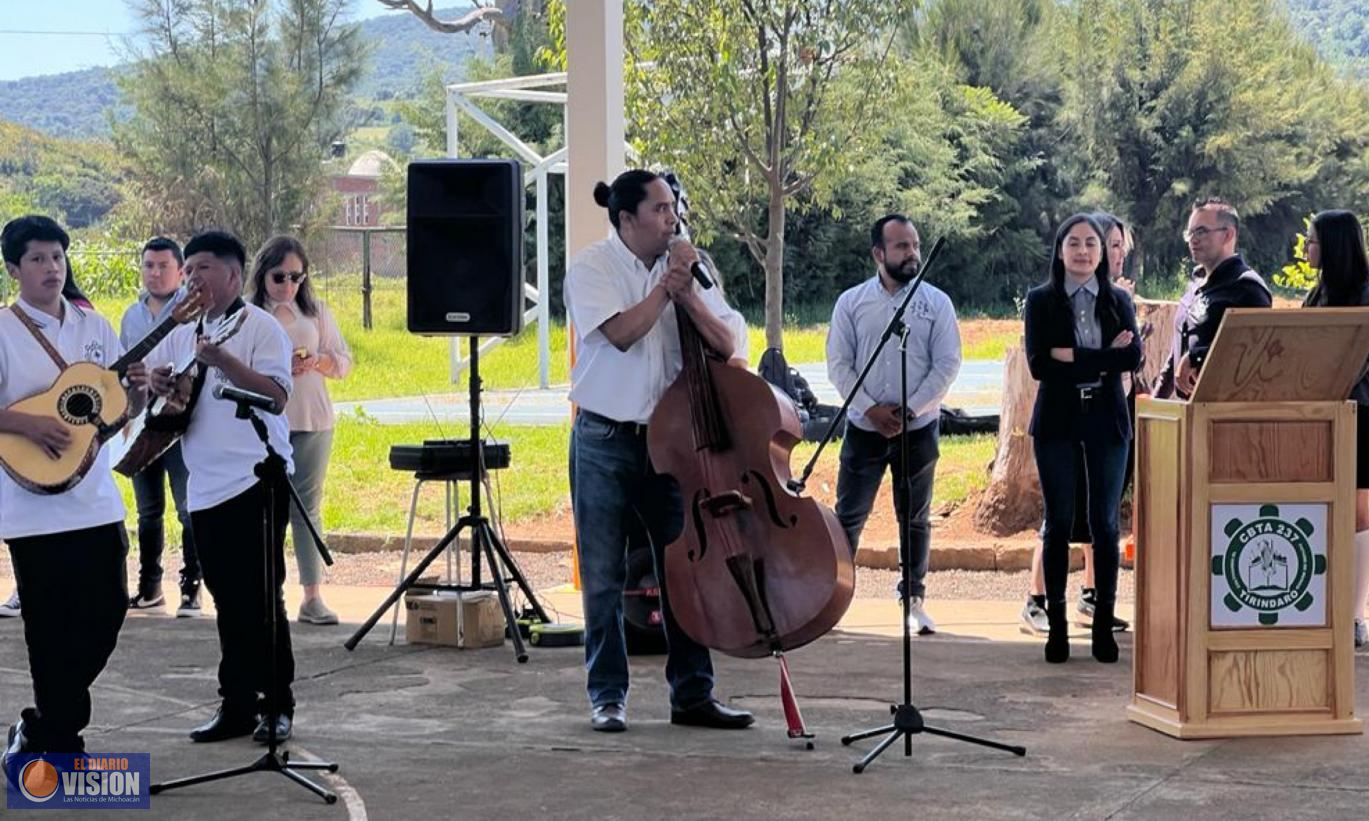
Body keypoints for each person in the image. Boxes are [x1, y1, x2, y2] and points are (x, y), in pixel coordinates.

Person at [565, 168, 754, 733]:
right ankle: (607, 696)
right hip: (604, 438)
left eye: (674, 208)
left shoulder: (688, 271)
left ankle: (693, 695)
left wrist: (688, 293)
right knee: (602, 574)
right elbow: (621, 334)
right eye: (660, 210)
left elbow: (728, 345)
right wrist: (662, 291)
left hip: (672, 445)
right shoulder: (592, 266)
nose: (672, 218)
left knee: (683, 570)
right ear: (627, 219)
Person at [129, 230, 298, 744]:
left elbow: (276, 395)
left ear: (231, 274)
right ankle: (237, 703)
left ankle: (277, 704)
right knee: (227, 599)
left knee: (263, 597)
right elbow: (176, 397)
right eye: (190, 269)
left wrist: (221, 360)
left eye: (204, 268)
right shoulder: (184, 330)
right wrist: (159, 384)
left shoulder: (261, 327)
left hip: (255, 480)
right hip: (203, 485)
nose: (193, 279)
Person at [0, 215, 134, 759]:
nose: (51, 268)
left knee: (110, 607)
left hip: (96, 499)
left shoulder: (93, 326)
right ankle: (58, 733)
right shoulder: (3, 330)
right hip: (31, 504)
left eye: (57, 257)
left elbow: (113, 410)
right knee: (49, 625)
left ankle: (46, 722)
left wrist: (146, 392)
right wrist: (27, 423)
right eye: (37, 259)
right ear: (13, 269)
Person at [826, 214, 962, 635]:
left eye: (915, 245)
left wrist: (909, 411)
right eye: (902, 247)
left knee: (915, 518)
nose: (912, 254)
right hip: (863, 430)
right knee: (849, 517)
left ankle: (914, 600)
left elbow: (947, 364)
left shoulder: (936, 303)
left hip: (916, 430)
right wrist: (870, 409)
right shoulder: (851, 303)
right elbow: (839, 365)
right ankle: (832, 601)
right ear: (878, 254)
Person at [1024, 213, 1141, 664]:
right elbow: (1041, 365)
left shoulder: (1118, 299)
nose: (1083, 251)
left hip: (1106, 422)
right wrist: (1103, 357)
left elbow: (1131, 356)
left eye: (1092, 243)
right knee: (1058, 524)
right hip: (1057, 420)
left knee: (1105, 525)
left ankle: (1102, 624)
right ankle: (1056, 626)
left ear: (1104, 251)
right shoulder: (1040, 301)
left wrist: (1076, 357)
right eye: (1073, 243)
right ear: (1059, 250)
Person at [245, 235, 351, 626]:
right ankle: (266, 594)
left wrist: (317, 361)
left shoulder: (316, 311)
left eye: (296, 277)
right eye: (279, 277)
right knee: (264, 511)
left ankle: (312, 596)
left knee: (306, 509)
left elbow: (343, 362)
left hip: (313, 420)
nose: (288, 286)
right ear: (262, 276)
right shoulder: (250, 315)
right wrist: (275, 368)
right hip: (264, 424)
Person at [121, 237, 202, 616]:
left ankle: (191, 589)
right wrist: (136, 381)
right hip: (142, 423)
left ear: (181, 271)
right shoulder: (130, 316)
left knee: (187, 508)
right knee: (147, 510)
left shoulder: (193, 311)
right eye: (148, 266)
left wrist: (168, 379)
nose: (155, 273)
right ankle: (150, 586)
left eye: (163, 266)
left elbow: (197, 363)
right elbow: (123, 371)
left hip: (181, 425)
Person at [1300, 210, 1369, 647]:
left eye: (1312, 241)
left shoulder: (1365, 294)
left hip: (1362, 414)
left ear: (1334, 246)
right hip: (1321, 414)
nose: (1307, 248)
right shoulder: (1317, 293)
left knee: (1359, 512)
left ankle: (1355, 615)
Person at [1172, 197, 1272, 397]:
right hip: (1185, 410)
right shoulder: (1196, 285)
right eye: (1189, 233)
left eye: (1201, 231)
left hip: (1224, 411)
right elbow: (1178, 350)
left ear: (1228, 235)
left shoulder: (1247, 287)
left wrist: (1196, 357)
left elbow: (1255, 350)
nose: (1193, 239)